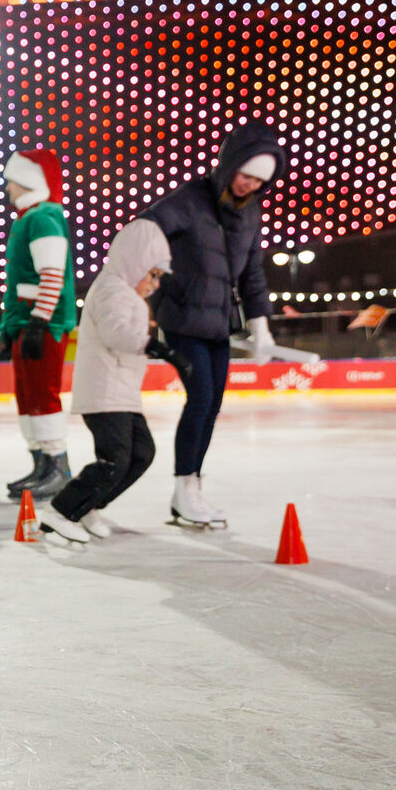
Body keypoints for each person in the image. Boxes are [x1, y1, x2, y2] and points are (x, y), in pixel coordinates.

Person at [139, 120, 285, 529]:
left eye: (258, 181)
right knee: (200, 399)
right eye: (245, 175)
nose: (249, 185)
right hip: (183, 318)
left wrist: (261, 326)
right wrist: (157, 285)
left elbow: (252, 273)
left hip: (219, 324)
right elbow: (144, 231)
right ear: (230, 165)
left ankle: (190, 488)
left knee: (212, 406)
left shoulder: (251, 211)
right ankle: (184, 489)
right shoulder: (191, 198)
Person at [38, 219, 179, 545]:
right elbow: (117, 333)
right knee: (114, 461)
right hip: (104, 393)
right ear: (135, 264)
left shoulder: (126, 293)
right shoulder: (111, 290)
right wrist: (154, 345)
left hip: (122, 394)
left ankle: (89, 505)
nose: (155, 284)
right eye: (153, 274)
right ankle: (59, 512)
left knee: (142, 453)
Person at [0, 149, 78, 501]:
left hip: (41, 323)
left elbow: (53, 275)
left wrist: (38, 321)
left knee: (43, 395)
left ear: (28, 180)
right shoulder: (27, 218)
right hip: (26, 321)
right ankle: (42, 464)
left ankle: (58, 467)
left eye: (12, 180)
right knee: (28, 395)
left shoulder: (44, 217)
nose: (8, 187)